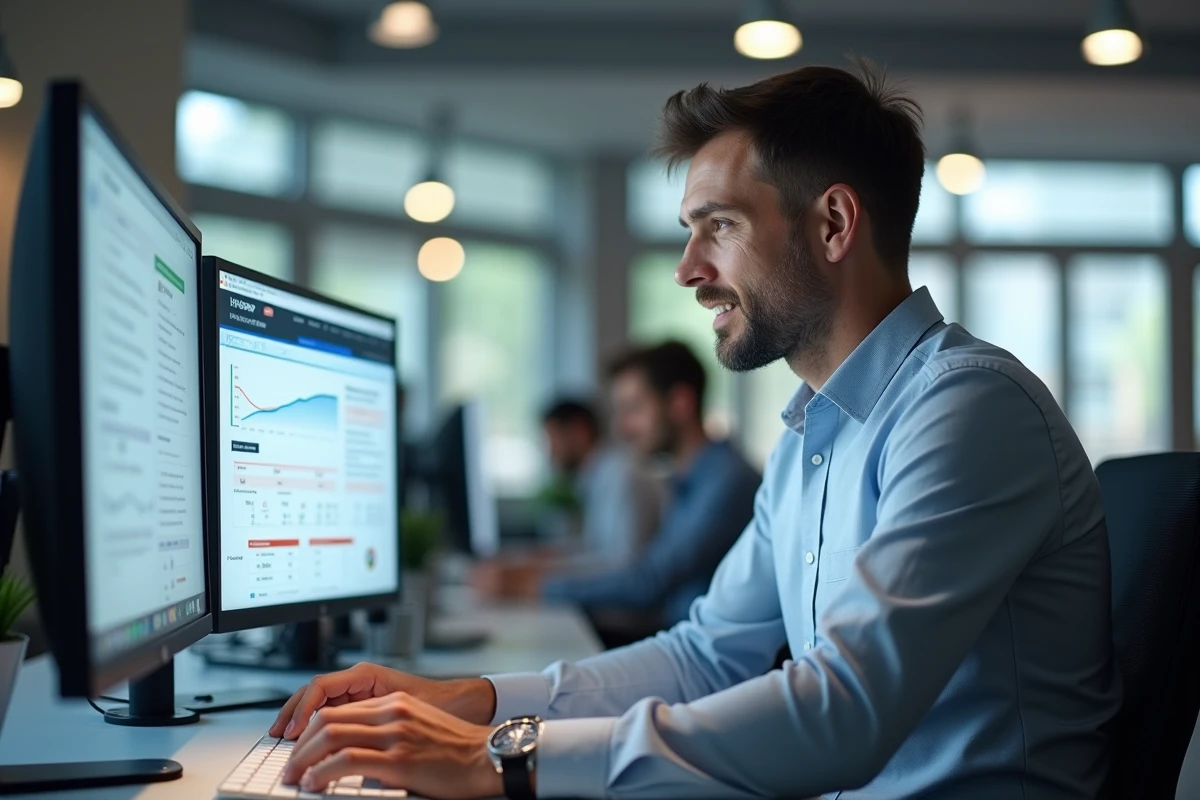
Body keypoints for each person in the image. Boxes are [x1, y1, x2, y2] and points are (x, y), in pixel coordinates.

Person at [269, 61, 1120, 800]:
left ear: (833, 225)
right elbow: (706, 656)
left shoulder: (966, 409)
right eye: (689, 232)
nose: (688, 270)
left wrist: (501, 758)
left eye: (720, 226)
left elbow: (845, 711)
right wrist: (466, 701)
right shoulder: (810, 440)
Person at [539, 342, 760, 639]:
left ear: (680, 404)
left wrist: (538, 585)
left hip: (707, 658)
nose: (622, 427)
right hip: (677, 641)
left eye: (634, 409)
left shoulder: (727, 482)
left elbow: (648, 583)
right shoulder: (684, 480)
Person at [470, 398, 661, 597]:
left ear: (579, 432)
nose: (550, 452)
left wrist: (530, 580)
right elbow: (593, 549)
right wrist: (525, 561)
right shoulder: (599, 477)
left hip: (627, 617)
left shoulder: (622, 477)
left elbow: (624, 566)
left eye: (551, 439)